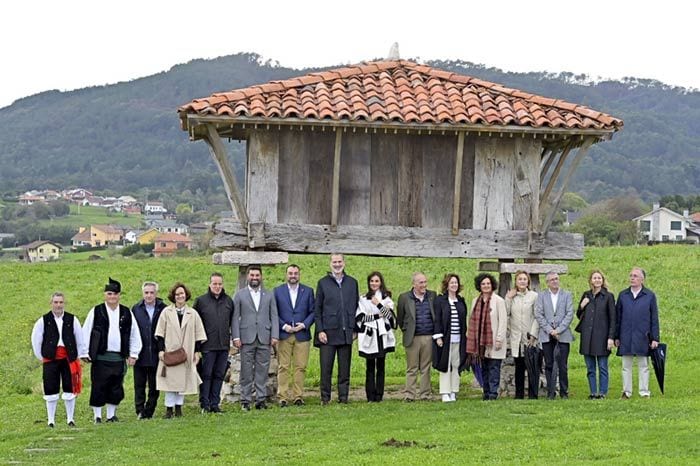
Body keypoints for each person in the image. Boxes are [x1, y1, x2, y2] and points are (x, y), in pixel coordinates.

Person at [82, 277, 142, 423]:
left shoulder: (126, 312)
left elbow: (134, 334)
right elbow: (86, 331)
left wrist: (133, 354)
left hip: (118, 357)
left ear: (119, 295)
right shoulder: (96, 311)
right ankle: (97, 416)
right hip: (101, 356)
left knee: (115, 387)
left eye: (115, 294)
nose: (112, 297)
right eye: (109, 294)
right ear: (105, 295)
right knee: (98, 386)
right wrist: (84, 352)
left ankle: (111, 415)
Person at [31, 292, 88, 427]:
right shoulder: (43, 321)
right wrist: (42, 356)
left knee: (70, 388)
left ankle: (70, 419)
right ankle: (51, 420)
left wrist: (78, 355)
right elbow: (36, 340)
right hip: (50, 358)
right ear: (51, 304)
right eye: (55, 302)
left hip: (69, 358)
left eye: (61, 302)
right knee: (50, 388)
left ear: (64, 303)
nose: (58, 305)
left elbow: (79, 339)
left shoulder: (72, 319)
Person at [155, 282, 207, 418]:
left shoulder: (193, 313)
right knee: (170, 382)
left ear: (186, 295)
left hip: (187, 352)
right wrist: (161, 351)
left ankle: (178, 408)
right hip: (170, 352)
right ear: (173, 296)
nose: (180, 296)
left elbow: (198, 335)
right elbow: (160, 333)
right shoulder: (166, 312)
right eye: (177, 294)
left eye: (182, 294)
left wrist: (196, 352)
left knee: (183, 382)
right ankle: (169, 409)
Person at [314, 253, 359, 405]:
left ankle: (343, 397)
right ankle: (325, 398)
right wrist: (320, 330)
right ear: (330, 264)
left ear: (344, 263)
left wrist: (355, 329)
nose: (337, 264)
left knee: (344, 368)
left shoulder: (352, 283)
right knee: (326, 368)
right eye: (334, 262)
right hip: (328, 332)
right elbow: (317, 309)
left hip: (346, 331)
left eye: (339, 262)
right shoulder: (323, 283)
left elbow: (356, 307)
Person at [232, 266, 279, 410]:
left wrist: (275, 335)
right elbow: (234, 318)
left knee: (262, 370)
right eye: (252, 275)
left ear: (261, 277)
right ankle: (245, 400)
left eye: (257, 275)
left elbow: (274, 316)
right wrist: (236, 336)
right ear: (247, 277)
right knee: (246, 370)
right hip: (246, 337)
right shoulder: (240, 295)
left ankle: (261, 399)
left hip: (264, 336)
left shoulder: (268, 295)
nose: (254, 278)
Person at [615, 267, 660, 399]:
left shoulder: (649, 295)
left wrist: (655, 338)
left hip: (643, 336)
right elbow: (618, 317)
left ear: (642, 279)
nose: (632, 278)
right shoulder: (623, 295)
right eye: (631, 276)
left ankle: (644, 391)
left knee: (643, 365)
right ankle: (626, 392)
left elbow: (654, 318)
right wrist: (616, 336)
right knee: (626, 366)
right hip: (626, 335)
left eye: (635, 276)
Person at [274, 264, 315, 407]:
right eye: (290, 273)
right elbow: (274, 312)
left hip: (302, 334)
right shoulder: (278, 291)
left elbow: (313, 312)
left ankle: (298, 396)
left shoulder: (308, 291)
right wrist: (284, 326)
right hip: (284, 334)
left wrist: (303, 324)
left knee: (300, 367)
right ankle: (283, 397)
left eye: (295, 273)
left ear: (299, 275)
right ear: (286, 274)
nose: (293, 276)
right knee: (283, 366)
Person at [193, 272, 233, 414]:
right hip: (207, 347)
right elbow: (195, 326)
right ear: (210, 284)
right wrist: (196, 348)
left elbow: (232, 322)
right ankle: (205, 404)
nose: (217, 286)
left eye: (220, 284)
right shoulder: (201, 301)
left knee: (219, 375)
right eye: (215, 284)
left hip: (223, 346)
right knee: (206, 375)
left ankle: (215, 404)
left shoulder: (228, 301)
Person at [356, 271, 396, 402]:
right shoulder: (363, 298)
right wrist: (377, 316)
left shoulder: (386, 298)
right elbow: (361, 318)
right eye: (372, 281)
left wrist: (378, 304)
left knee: (381, 365)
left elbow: (389, 315)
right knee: (370, 366)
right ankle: (370, 395)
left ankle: (379, 395)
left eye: (376, 281)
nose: (374, 283)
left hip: (382, 335)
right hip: (370, 335)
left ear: (381, 282)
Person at [397, 272, 437, 401]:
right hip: (413, 338)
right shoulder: (404, 298)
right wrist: (406, 330)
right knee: (412, 368)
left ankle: (425, 394)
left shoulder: (432, 296)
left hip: (429, 336)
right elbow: (401, 318)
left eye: (425, 282)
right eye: (421, 282)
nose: (424, 285)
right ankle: (410, 394)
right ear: (414, 284)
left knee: (426, 367)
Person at [576, 269, 616, 399]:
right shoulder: (586, 295)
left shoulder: (608, 296)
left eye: (599, 278)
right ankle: (593, 392)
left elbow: (613, 319)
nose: (597, 280)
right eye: (594, 278)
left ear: (603, 280)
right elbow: (579, 315)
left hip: (602, 337)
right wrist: (582, 306)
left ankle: (602, 392)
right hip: (588, 337)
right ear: (590, 280)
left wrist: (611, 337)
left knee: (603, 367)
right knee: (590, 368)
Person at [534, 272, 574, 400]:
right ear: (547, 282)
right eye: (552, 280)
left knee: (562, 364)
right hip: (547, 335)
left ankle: (564, 391)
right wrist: (550, 330)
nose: (555, 281)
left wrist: (559, 330)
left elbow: (569, 314)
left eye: (556, 279)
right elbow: (539, 314)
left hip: (563, 334)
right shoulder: (542, 296)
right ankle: (550, 392)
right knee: (549, 364)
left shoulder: (567, 295)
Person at [467, 273, 507, 400]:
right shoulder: (475, 301)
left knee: (494, 368)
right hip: (480, 341)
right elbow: (471, 320)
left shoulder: (499, 301)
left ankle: (493, 394)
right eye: (483, 284)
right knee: (483, 368)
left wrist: (500, 339)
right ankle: (485, 392)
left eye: (488, 283)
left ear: (492, 285)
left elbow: (503, 321)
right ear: (479, 286)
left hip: (494, 340)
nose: (486, 286)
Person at [132, 281, 166, 419]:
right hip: (140, 352)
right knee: (139, 384)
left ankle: (149, 410)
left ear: (156, 293)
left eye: (152, 292)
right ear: (143, 293)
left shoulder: (163, 308)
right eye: (146, 292)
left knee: (154, 385)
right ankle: (140, 410)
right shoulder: (136, 309)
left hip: (157, 352)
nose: (149, 295)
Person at [432, 274, 467, 403]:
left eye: (456, 283)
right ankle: (445, 392)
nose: (454, 285)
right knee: (445, 365)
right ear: (447, 285)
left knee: (456, 365)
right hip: (445, 338)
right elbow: (437, 319)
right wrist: (438, 336)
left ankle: (453, 391)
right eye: (451, 283)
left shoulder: (461, 301)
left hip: (459, 338)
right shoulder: (440, 301)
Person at [505, 271, 539, 399]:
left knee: (532, 366)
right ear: (516, 281)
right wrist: (508, 298)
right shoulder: (511, 296)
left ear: (528, 281)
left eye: (525, 279)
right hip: (516, 337)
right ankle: (518, 395)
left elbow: (537, 316)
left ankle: (533, 394)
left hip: (529, 337)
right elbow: (506, 313)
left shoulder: (534, 296)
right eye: (520, 279)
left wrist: (534, 334)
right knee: (519, 367)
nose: (522, 281)